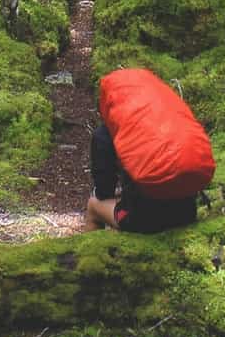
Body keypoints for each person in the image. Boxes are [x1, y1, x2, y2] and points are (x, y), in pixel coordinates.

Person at [85, 68, 215, 233]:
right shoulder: (165, 114)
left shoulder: (105, 135)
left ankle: (92, 255)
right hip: (187, 212)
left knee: (94, 205)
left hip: (144, 219)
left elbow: (104, 192)